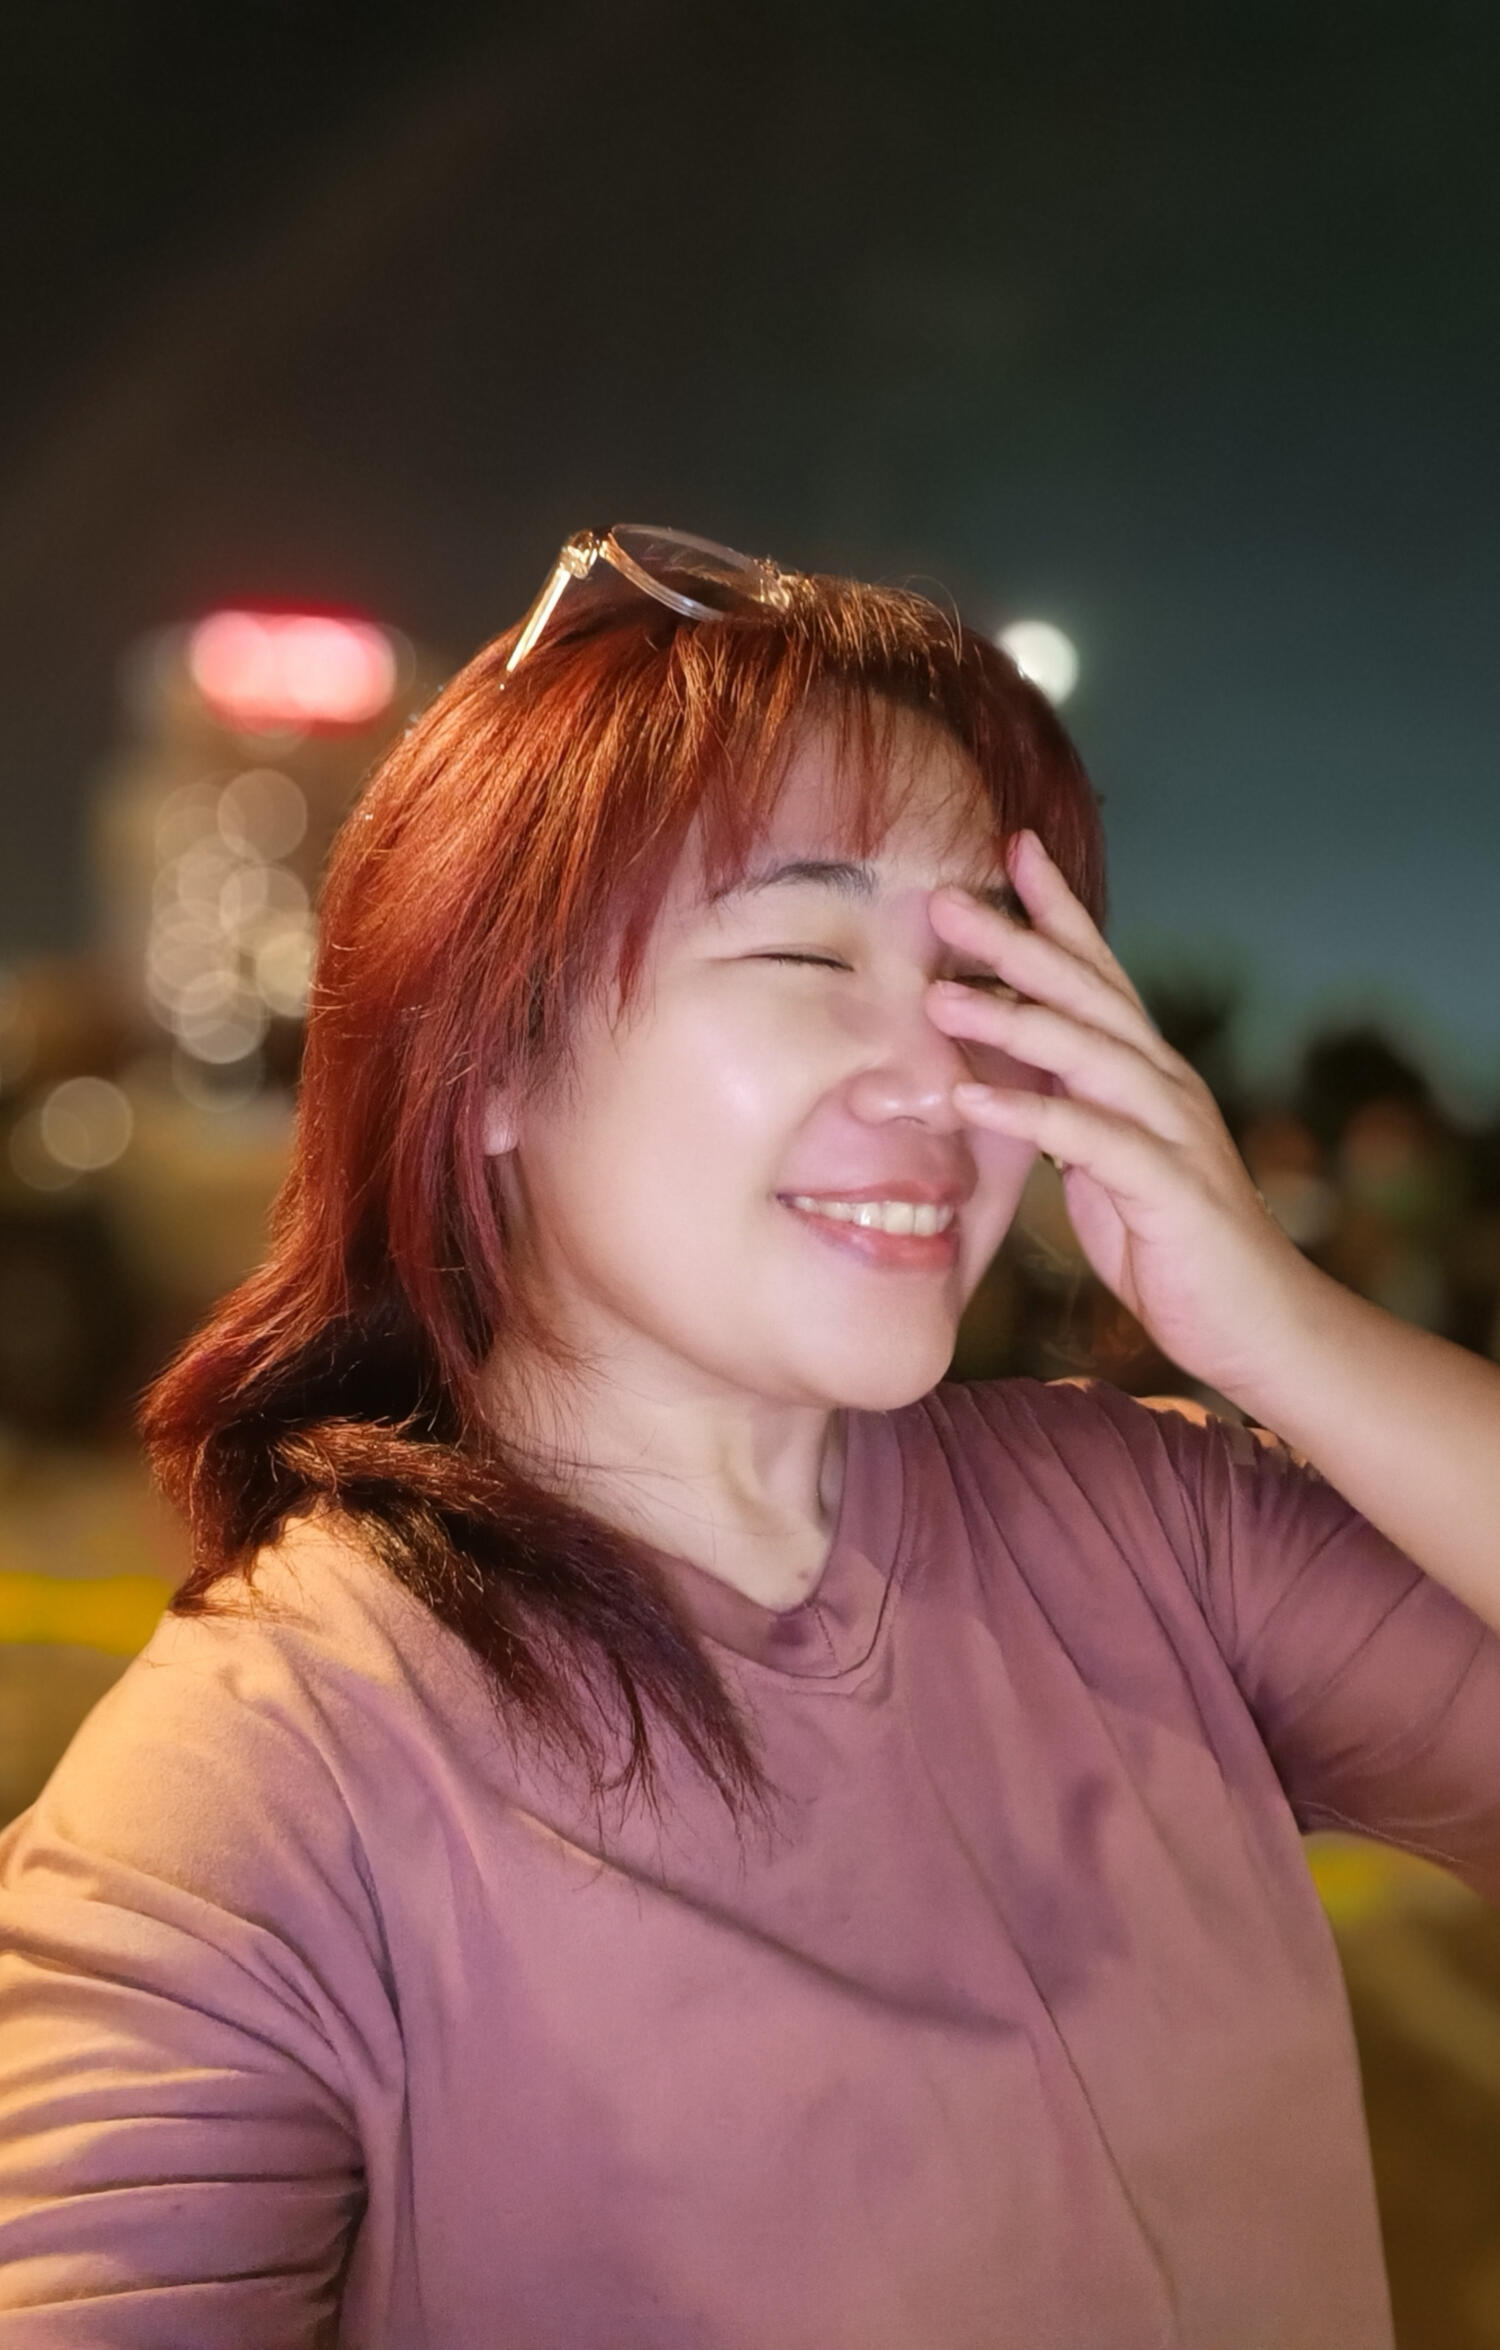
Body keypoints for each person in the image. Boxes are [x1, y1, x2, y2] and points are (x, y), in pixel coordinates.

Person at [2, 525, 1498, 2350]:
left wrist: (1280, 1321)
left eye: (982, 975)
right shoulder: (274, 1773)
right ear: (492, 1065)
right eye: (806, 947)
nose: (941, 1070)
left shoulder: (1154, 1521)